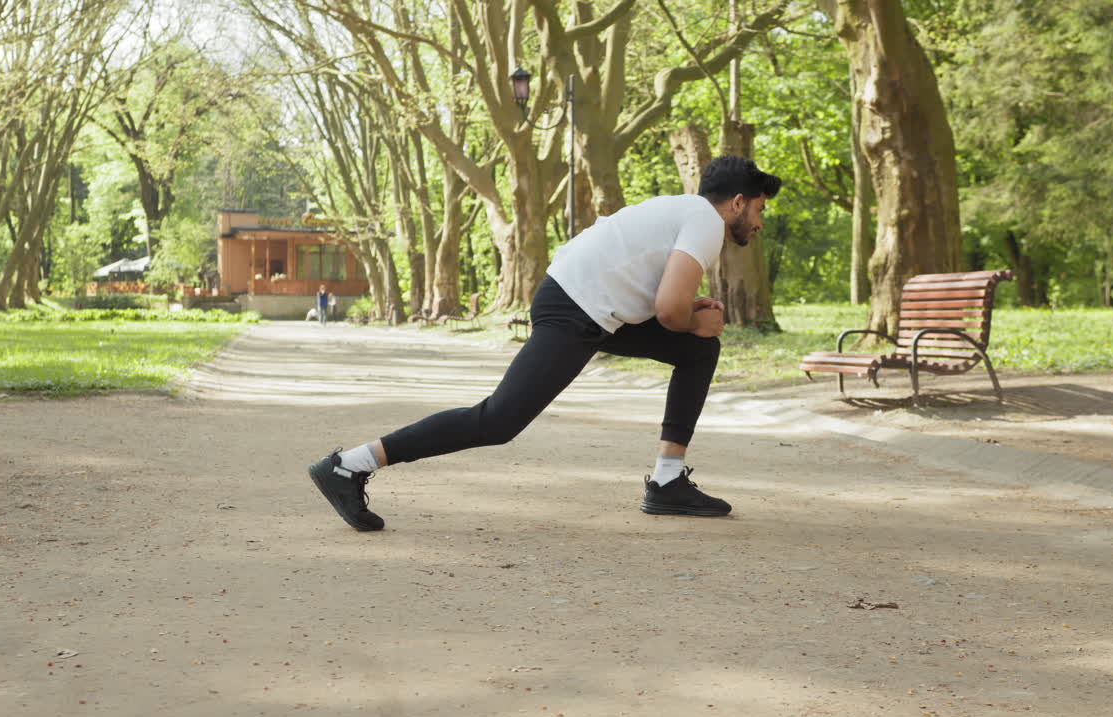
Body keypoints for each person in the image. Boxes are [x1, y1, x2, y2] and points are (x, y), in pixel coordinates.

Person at [308, 155, 781, 531]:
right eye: (759, 209)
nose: (759, 223)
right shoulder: (704, 218)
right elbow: (669, 312)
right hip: (574, 307)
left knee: (698, 349)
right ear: (738, 202)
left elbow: (658, 289)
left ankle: (667, 480)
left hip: (588, 303)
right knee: (498, 419)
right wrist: (692, 320)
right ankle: (350, 464)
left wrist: (688, 316)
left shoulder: (684, 211)